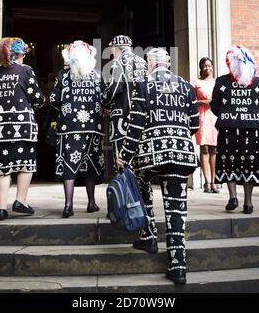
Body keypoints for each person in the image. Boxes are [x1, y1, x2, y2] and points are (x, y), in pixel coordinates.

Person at [118, 48, 199, 285]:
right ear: (168, 63)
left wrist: (125, 154)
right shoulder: (185, 86)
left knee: (141, 181)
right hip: (182, 154)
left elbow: (136, 124)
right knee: (176, 210)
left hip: (152, 154)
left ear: (149, 64)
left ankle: (149, 234)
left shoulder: (143, 85)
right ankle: (178, 265)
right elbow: (194, 124)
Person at [0, 37, 45, 221]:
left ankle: (1, 209)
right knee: (26, 164)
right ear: (20, 54)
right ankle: (20, 200)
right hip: (22, 127)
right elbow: (37, 98)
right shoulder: (25, 70)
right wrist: (41, 103)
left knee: (3, 169)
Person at [210, 45, 259, 214]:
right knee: (249, 165)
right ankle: (248, 203)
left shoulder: (222, 81)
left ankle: (232, 197)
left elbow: (214, 106)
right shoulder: (256, 82)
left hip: (228, 129)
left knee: (230, 162)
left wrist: (229, 114)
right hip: (252, 130)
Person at [50, 40, 105, 218]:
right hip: (92, 128)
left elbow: (53, 100)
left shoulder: (63, 75)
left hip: (69, 128)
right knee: (90, 164)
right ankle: (91, 203)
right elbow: (105, 99)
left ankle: (68, 206)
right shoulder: (97, 75)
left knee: (69, 165)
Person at [102, 35, 147, 167]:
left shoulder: (118, 62)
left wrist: (104, 102)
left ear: (115, 48)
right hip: (142, 118)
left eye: (111, 49)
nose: (111, 53)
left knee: (122, 162)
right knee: (139, 161)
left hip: (123, 118)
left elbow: (115, 88)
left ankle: (126, 188)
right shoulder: (142, 63)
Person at [192, 57, 219, 193]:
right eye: (204, 66)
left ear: (212, 67)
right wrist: (202, 102)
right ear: (200, 68)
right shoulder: (196, 82)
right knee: (204, 149)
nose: (207, 68)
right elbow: (190, 100)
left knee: (214, 149)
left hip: (214, 116)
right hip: (202, 116)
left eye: (209, 65)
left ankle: (214, 182)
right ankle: (206, 182)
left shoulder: (217, 82)